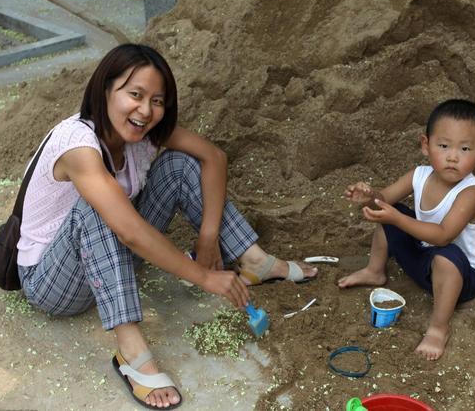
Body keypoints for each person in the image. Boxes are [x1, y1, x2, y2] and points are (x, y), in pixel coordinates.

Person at [16, 43, 317, 409]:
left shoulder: (143, 131)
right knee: (96, 207)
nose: (145, 111)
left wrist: (208, 236)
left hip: (107, 261)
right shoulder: (78, 146)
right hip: (52, 280)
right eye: (135, 95)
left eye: (157, 100)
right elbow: (127, 229)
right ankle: (130, 349)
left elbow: (214, 157)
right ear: (105, 89)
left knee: (179, 164)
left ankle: (253, 260)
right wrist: (204, 276)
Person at [338, 99, 475, 361]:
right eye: (443, 146)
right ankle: (375, 271)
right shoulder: (418, 175)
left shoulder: (472, 192)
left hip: (462, 277)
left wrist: (397, 218)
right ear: (425, 145)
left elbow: (443, 235)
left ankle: (438, 328)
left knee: (446, 254)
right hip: (425, 258)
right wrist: (369, 195)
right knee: (391, 212)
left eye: (465, 148)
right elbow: (384, 198)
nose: (453, 156)